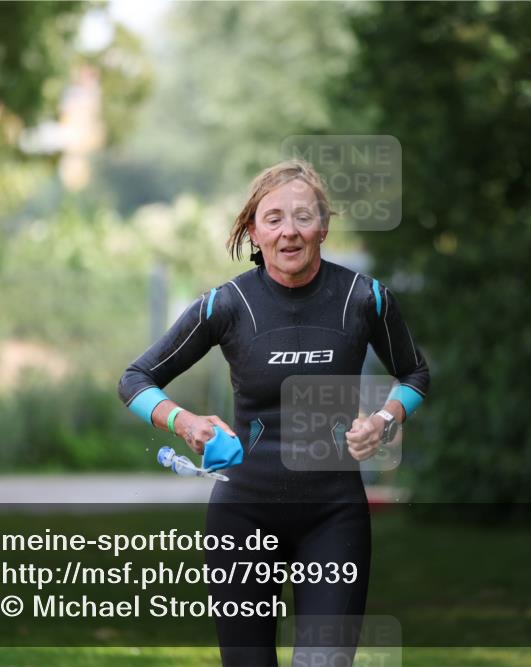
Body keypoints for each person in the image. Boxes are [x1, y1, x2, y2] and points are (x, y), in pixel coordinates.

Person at [118, 159, 430, 666]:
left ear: (323, 227)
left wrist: (383, 421)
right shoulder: (227, 305)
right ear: (253, 231)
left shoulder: (363, 298)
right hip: (243, 516)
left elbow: (415, 375)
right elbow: (135, 380)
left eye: (303, 217)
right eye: (274, 218)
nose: (290, 231)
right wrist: (186, 423)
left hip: (334, 517)